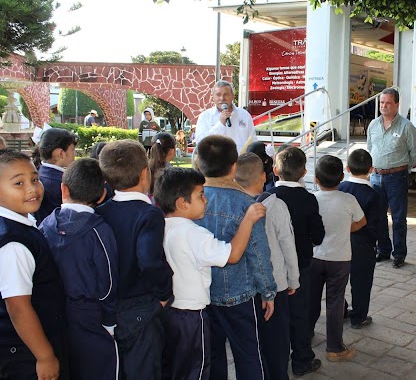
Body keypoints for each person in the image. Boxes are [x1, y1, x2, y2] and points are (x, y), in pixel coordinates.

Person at [154, 167, 265, 380]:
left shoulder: (160, 226)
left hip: (169, 312)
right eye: (200, 195)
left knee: (176, 367)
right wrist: (248, 219)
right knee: (197, 368)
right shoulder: (194, 233)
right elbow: (232, 255)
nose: (206, 200)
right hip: (192, 316)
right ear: (182, 203)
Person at [194, 135, 277, 380]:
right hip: (239, 295)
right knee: (249, 354)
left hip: (203, 295)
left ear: (199, 162)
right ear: (233, 167)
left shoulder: (189, 200)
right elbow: (258, 253)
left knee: (213, 355)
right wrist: (268, 291)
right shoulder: (246, 204)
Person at [95, 140, 173, 379]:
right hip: (141, 307)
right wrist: (163, 294)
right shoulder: (149, 214)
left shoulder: (101, 211)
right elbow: (148, 261)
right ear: (144, 173)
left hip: (110, 305)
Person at [39, 158, 119, 380]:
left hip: (54, 312)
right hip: (90, 313)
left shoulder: (45, 225)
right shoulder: (100, 231)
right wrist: (110, 321)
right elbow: (108, 280)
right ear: (102, 195)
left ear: (63, 188)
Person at [0, 149, 67, 380]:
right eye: (18, 183)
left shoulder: (20, 224)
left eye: (35, 179)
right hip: (24, 352)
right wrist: (45, 356)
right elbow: (18, 307)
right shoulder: (14, 243)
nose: (32, 188)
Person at [235, 153, 300, 380]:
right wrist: (294, 279)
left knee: (253, 340)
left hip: (245, 286)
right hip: (276, 284)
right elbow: (287, 245)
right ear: (264, 176)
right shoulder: (276, 205)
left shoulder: (233, 205)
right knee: (277, 341)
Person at [270, 146, 324, 376]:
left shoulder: (268, 197)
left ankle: (276, 362)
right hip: (301, 265)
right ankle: (302, 360)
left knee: (274, 316)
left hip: (272, 268)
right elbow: (318, 235)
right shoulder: (308, 199)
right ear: (304, 172)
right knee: (300, 315)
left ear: (275, 170)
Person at [310, 155, 365, 362]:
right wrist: (343, 229)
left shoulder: (312, 198)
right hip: (340, 260)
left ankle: (305, 337)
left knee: (311, 300)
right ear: (342, 177)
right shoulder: (348, 199)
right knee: (335, 302)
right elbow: (361, 222)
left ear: (316, 179)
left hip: (315, 258)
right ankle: (334, 348)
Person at [367, 87, 416, 268]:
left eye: (388, 103)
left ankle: (399, 254)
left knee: (398, 218)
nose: (384, 106)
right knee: (378, 216)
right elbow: (370, 147)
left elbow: (415, 153)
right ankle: (383, 250)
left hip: (396, 177)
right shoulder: (373, 125)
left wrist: (404, 167)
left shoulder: (406, 126)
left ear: (397, 104)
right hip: (376, 177)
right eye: (382, 102)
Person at [338, 149, 380, 328]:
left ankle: (340, 310)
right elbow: (377, 225)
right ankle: (359, 316)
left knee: (338, 280)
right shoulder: (375, 193)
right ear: (371, 169)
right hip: (363, 245)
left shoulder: (340, 188)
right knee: (361, 282)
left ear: (347, 168)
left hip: (339, 243)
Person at [195, 80, 257, 154]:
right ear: (213, 97)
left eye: (226, 94)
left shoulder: (244, 115)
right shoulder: (205, 117)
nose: (222, 98)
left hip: (240, 162)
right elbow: (200, 142)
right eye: (218, 95)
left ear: (233, 96)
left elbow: (253, 141)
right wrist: (220, 124)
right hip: (215, 163)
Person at [33, 128, 78, 224]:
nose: (75, 154)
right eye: (73, 150)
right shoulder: (63, 183)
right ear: (61, 153)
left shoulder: (39, 172)